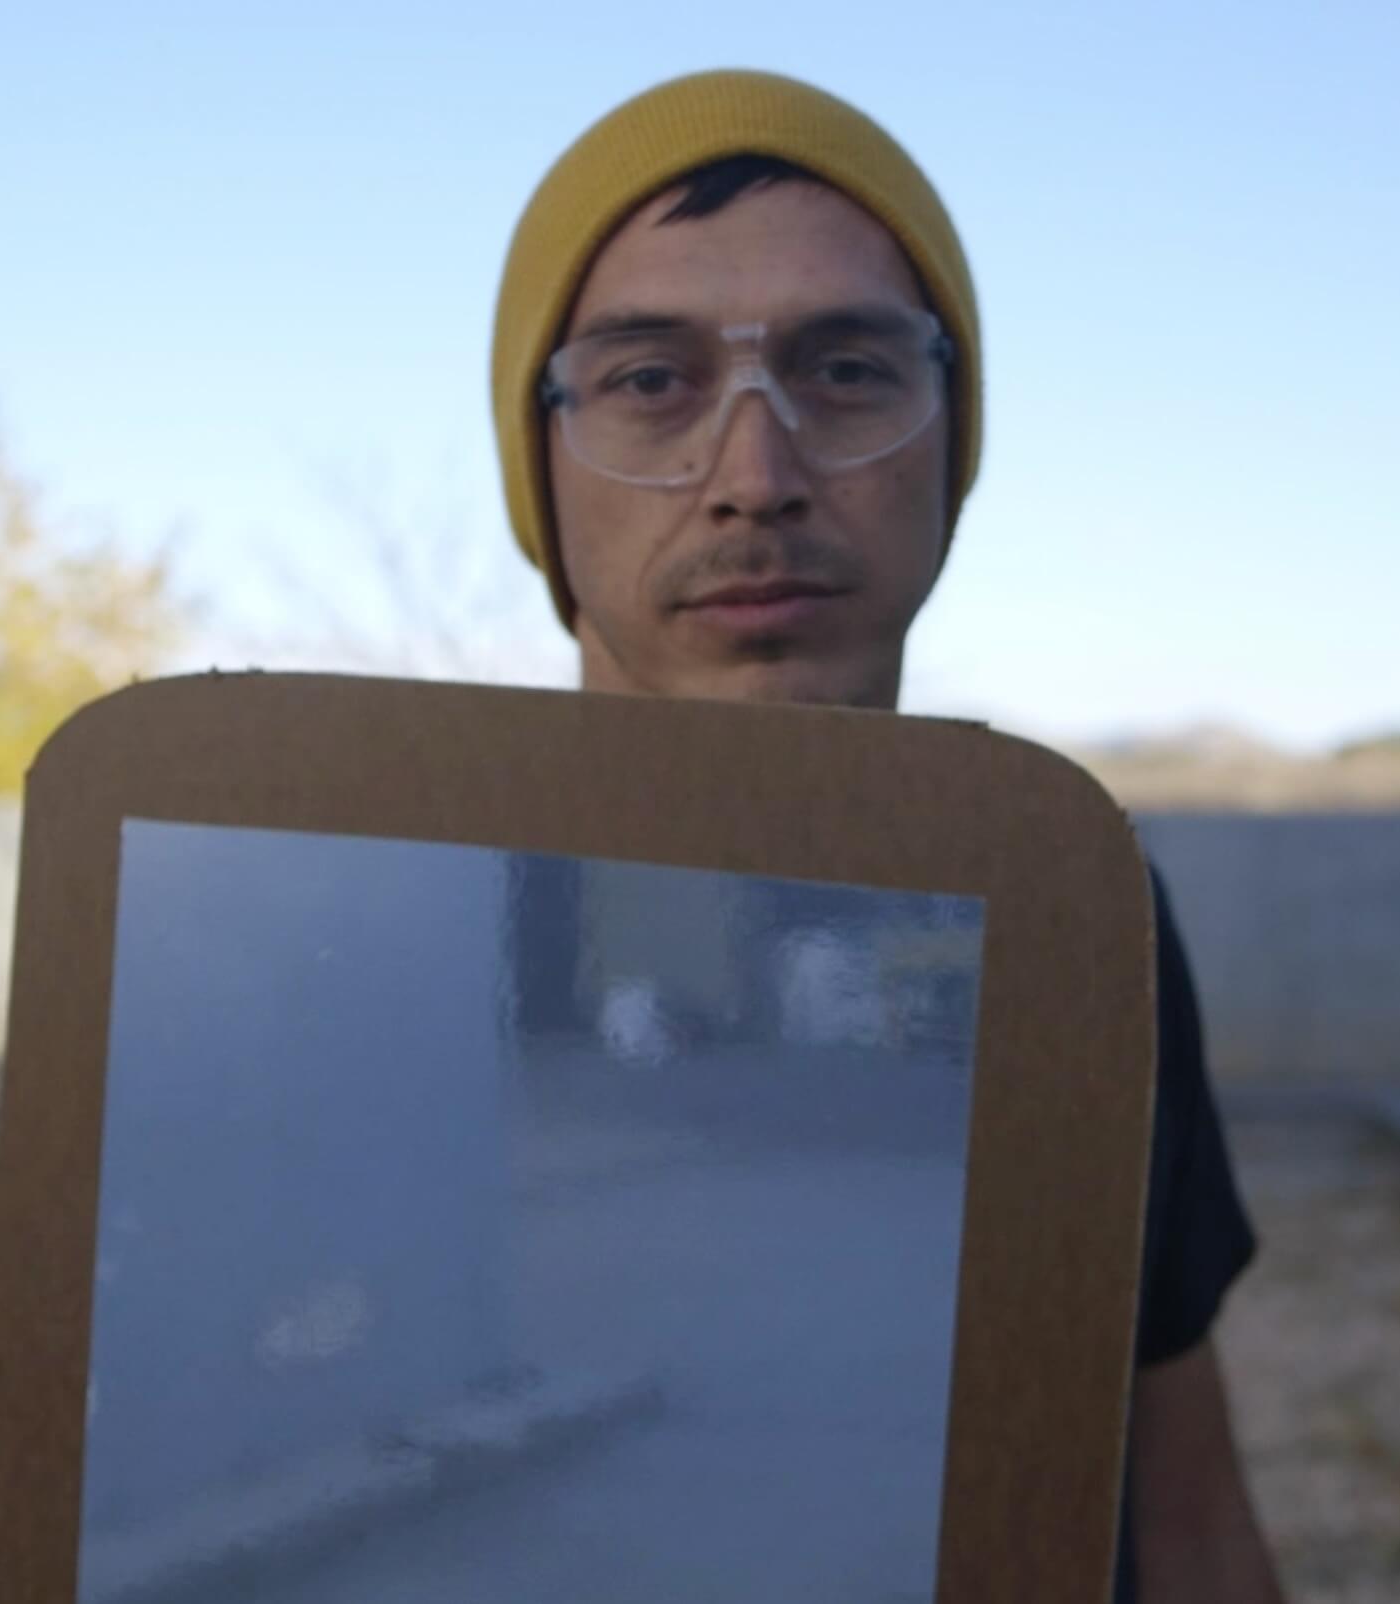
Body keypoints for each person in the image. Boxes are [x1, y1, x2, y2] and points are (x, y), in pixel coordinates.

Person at [491, 69, 1286, 1604]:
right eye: (651, 380)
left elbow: (1183, 1516)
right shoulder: (336, 909)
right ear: (541, 464)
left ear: (949, 445)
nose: (756, 478)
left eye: (845, 369)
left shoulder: (1075, 914)